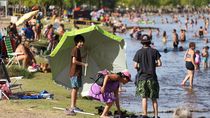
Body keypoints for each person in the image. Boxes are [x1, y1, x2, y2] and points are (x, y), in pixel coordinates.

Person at [133, 34, 162, 118]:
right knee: (154, 98)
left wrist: (142, 66)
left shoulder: (138, 52)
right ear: (149, 42)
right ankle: (156, 115)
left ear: (142, 42)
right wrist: (152, 65)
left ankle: (144, 115)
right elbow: (160, 63)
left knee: (144, 97)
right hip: (152, 78)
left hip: (142, 78)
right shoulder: (155, 51)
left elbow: (135, 65)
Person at [65, 35, 88, 116]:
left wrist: (84, 57)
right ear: (77, 42)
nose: (82, 43)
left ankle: (74, 106)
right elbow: (74, 61)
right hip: (75, 73)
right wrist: (83, 64)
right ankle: (72, 106)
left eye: (83, 42)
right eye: (80, 42)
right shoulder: (75, 49)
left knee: (76, 89)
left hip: (77, 73)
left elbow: (77, 58)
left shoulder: (77, 50)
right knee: (75, 89)